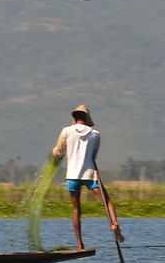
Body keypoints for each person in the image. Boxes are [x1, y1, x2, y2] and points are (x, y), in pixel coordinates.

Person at [49, 105, 121, 250]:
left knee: (76, 210)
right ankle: (115, 224)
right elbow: (94, 156)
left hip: (72, 176)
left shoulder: (66, 131)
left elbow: (59, 151)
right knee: (107, 201)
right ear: (87, 118)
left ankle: (80, 243)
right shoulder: (95, 134)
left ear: (74, 118)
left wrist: (54, 155)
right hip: (89, 175)